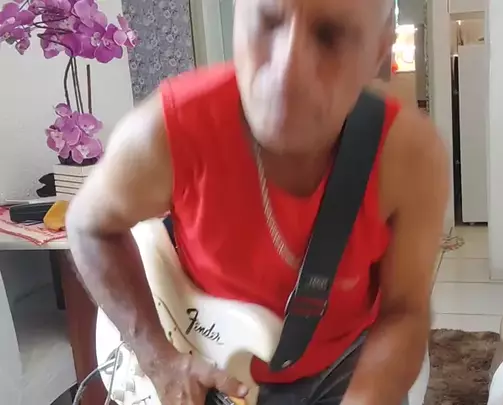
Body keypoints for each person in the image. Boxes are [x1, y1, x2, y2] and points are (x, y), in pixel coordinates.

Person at [66, 0, 448, 404]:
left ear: (379, 51)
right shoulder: (167, 128)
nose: (287, 72)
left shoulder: (410, 155)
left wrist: (368, 396)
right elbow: (88, 226)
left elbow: (405, 309)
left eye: (330, 36)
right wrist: (158, 358)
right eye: (267, 21)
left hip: (344, 365)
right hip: (211, 364)